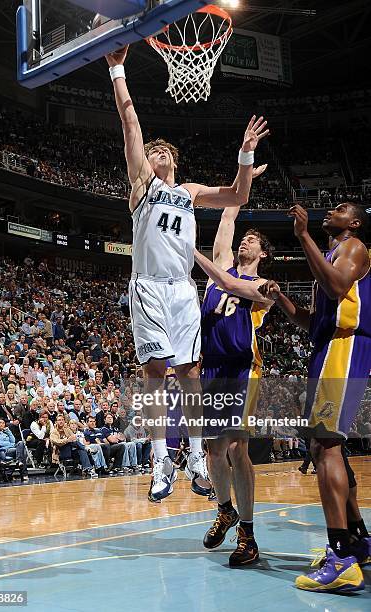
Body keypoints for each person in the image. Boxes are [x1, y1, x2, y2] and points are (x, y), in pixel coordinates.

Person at [106, 44, 269, 501]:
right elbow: (130, 123)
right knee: (156, 370)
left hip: (182, 290)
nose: (154, 151)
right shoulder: (142, 185)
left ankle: (195, 456)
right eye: (150, 150)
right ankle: (160, 463)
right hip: (149, 288)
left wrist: (243, 154)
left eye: (161, 150)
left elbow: (237, 196)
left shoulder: (191, 191)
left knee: (192, 372)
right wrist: (118, 69)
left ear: (172, 159)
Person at [259, 202, 371, 593]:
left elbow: (338, 286)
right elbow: (312, 321)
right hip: (327, 346)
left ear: (353, 222)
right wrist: (281, 301)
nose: (332, 211)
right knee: (328, 446)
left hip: (344, 348)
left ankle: (340, 556)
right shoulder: (330, 255)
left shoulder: (353, 246)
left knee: (325, 445)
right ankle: (357, 539)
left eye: (341, 209)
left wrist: (303, 235)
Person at [193, 203, 275, 565]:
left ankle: (248, 534)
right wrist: (244, 167)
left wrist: (188, 250)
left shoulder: (262, 287)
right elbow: (227, 218)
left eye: (253, 239)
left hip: (243, 369)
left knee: (238, 448)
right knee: (214, 450)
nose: (246, 241)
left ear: (264, 254)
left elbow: (230, 284)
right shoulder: (218, 271)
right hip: (212, 369)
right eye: (245, 238)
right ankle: (225, 510)